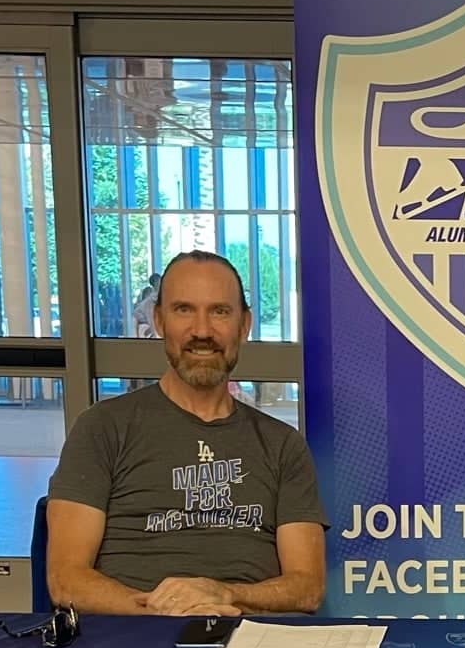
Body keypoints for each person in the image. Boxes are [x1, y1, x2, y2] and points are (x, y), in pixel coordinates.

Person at [45, 251, 326, 616]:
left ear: (244, 325)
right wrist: (163, 614)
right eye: (184, 310)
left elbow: (307, 588)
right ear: (159, 320)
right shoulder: (102, 429)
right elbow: (65, 580)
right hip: (132, 635)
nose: (202, 331)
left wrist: (224, 595)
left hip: (249, 639)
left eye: (220, 312)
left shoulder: (282, 445)